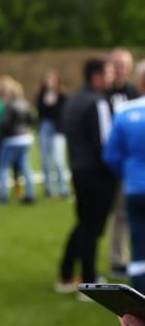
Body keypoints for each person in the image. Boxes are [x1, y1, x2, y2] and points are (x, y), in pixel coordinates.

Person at [56, 59, 118, 299]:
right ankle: (89, 282)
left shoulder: (74, 100)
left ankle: (65, 275)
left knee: (83, 224)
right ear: (96, 76)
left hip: (78, 170)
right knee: (92, 228)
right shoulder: (98, 101)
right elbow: (105, 144)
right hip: (97, 174)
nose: (112, 78)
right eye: (108, 73)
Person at [104, 59, 145, 293]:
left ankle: (140, 298)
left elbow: (111, 155)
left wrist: (127, 174)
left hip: (135, 187)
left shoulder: (125, 112)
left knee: (138, 247)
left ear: (140, 83)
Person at [107, 48, 138, 279]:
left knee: (125, 213)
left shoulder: (132, 92)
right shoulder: (103, 92)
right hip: (110, 160)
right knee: (114, 214)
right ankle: (117, 259)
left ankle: (124, 258)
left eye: (124, 65)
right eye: (117, 64)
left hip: (130, 163)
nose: (121, 69)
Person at [0, 79, 36, 204]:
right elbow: (31, 120)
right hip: (26, 138)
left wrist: (0, 130)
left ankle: (3, 196)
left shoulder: (9, 106)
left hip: (12, 140)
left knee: (2, 168)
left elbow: (5, 124)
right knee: (25, 167)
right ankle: (30, 194)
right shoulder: (25, 104)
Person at [35, 70, 69, 198]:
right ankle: (48, 188)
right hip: (44, 128)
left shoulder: (62, 96)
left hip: (57, 130)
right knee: (45, 160)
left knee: (58, 160)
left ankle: (63, 188)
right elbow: (40, 112)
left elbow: (63, 112)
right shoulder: (41, 96)